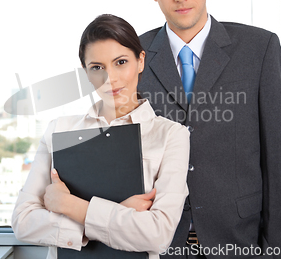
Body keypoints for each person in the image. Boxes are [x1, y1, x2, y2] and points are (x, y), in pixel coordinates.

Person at [136, 0, 281, 258]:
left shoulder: (259, 50)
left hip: (239, 242)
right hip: (159, 245)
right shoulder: (133, 56)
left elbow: (280, 163)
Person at [11, 14, 190, 259]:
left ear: (140, 62)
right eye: (97, 67)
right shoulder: (58, 130)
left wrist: (70, 206)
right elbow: (23, 221)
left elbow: (158, 234)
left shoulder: (171, 135)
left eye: (121, 62)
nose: (110, 79)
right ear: (86, 73)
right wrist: (113, 216)